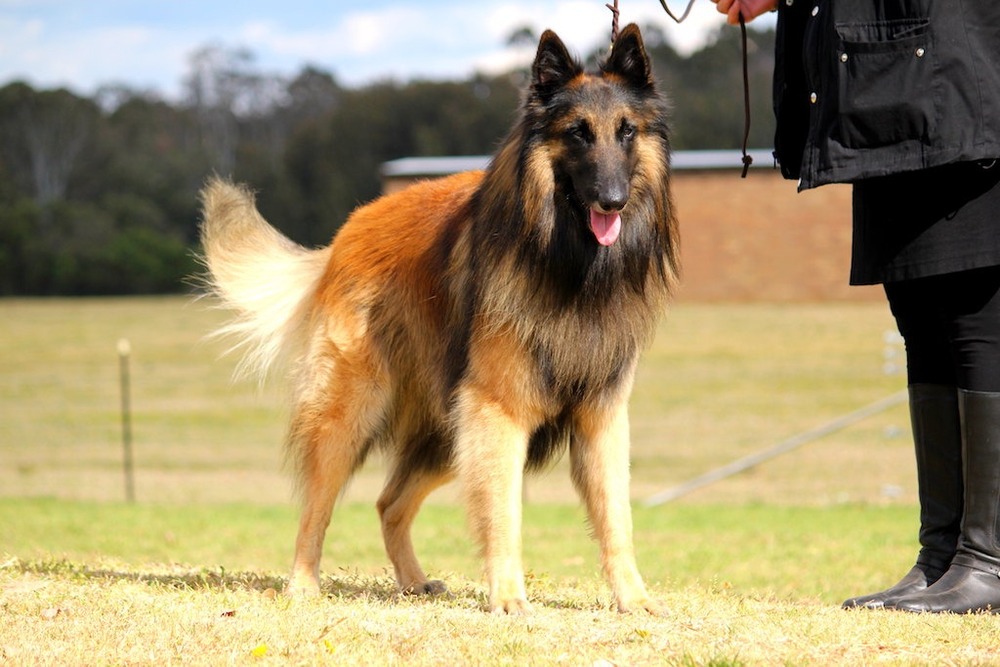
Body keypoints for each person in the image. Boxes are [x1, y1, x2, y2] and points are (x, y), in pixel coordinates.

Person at [711, 0, 1000, 613]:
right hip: (880, 77)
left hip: (953, 64)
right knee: (920, 315)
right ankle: (942, 553)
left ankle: (989, 557)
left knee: (971, 318)